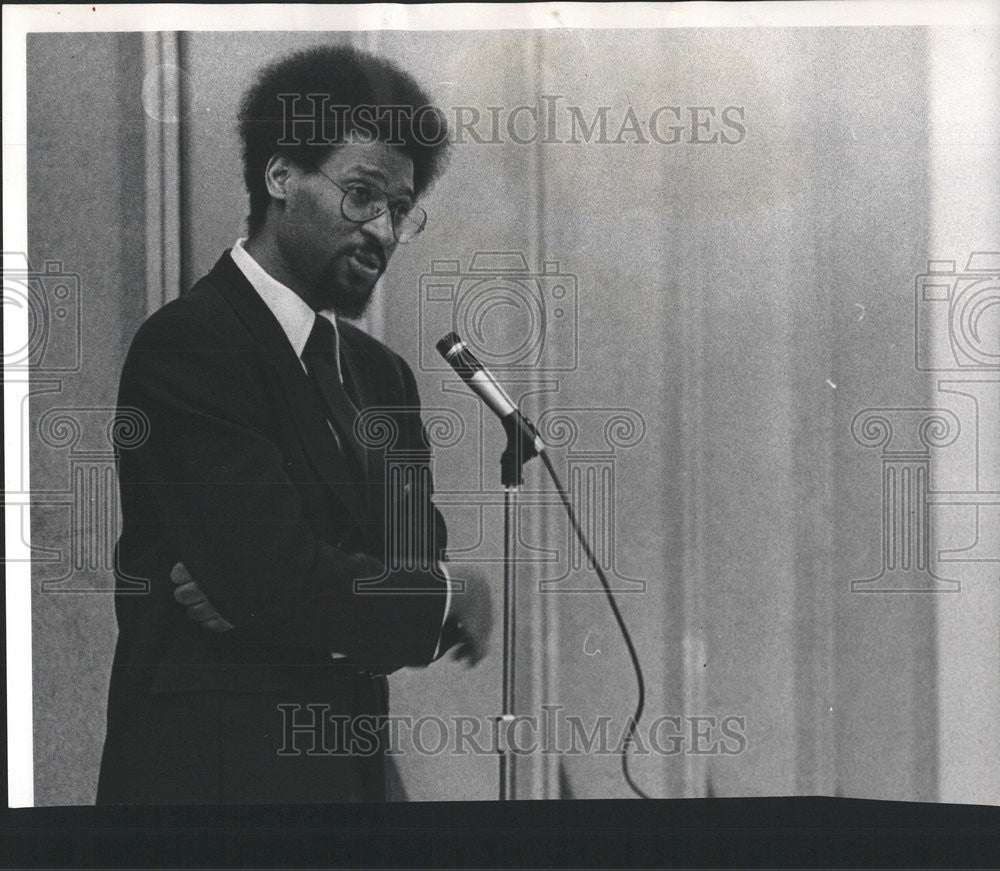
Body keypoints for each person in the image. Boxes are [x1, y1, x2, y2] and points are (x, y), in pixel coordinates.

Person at [96, 44, 491, 805]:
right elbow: (278, 579)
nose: (381, 229)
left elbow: (403, 555)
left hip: (348, 775)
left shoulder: (382, 377)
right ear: (281, 177)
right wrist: (445, 597)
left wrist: (283, 592)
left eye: (401, 210)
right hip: (213, 793)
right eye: (361, 193)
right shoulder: (192, 343)